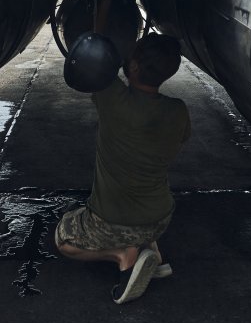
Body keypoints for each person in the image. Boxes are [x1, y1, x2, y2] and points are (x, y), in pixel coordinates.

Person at [55, 33, 191, 304]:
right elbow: (181, 139)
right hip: (160, 218)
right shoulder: (178, 110)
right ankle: (149, 252)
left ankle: (122, 255)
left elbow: (94, 52)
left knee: (63, 239)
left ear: (134, 66)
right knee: (140, 212)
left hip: (114, 221)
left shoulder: (112, 98)